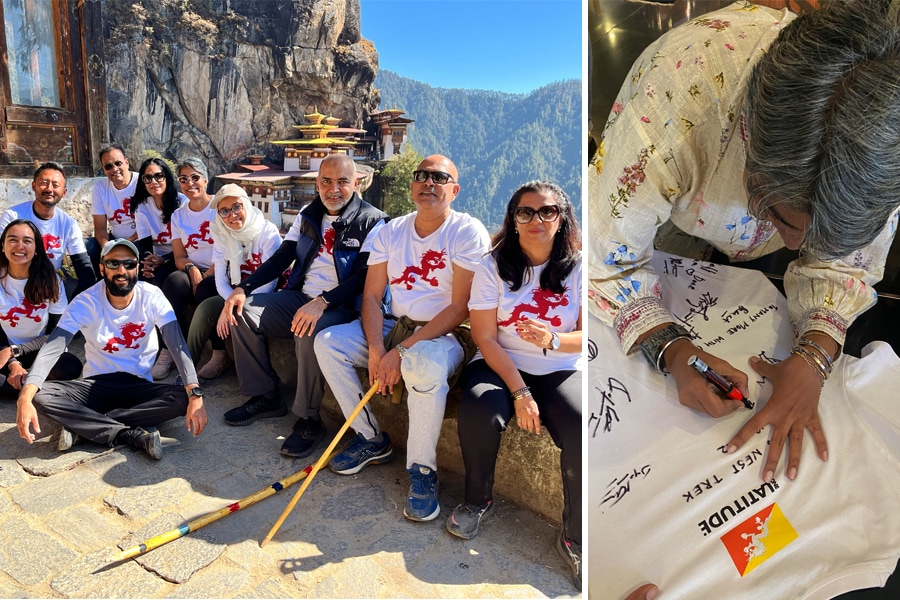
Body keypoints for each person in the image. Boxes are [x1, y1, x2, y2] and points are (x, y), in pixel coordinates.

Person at [588, 0, 900, 482]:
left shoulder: (886, 135)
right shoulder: (673, 102)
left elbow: (849, 264)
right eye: (784, 220)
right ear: (749, 158)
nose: (798, 246)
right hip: (677, 226)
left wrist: (816, 354)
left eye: (821, 236)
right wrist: (669, 348)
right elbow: (607, 253)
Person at [314, 154, 490, 522]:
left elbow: (460, 307)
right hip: (396, 325)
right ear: (412, 186)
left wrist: (402, 351)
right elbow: (373, 297)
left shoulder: (465, 231)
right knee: (328, 343)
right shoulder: (391, 231)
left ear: (453, 190)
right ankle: (370, 439)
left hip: (445, 335)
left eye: (439, 178)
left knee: (422, 366)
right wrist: (378, 348)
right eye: (422, 176)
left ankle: (422, 471)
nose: (429, 183)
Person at [445, 181, 583, 589]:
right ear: (513, 220)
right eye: (526, 212)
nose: (536, 220)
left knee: (580, 427)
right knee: (479, 408)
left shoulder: (579, 266)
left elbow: (589, 333)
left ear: (562, 218)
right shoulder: (493, 266)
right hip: (499, 363)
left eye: (548, 211)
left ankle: (574, 535)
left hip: (559, 366)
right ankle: (477, 499)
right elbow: (485, 337)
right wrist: (520, 392)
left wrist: (553, 339)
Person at [220, 154, 387, 459]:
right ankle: (265, 397)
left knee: (308, 330)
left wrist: (323, 302)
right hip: (300, 296)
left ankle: (310, 419)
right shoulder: (309, 214)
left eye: (342, 182)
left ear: (357, 183)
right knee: (242, 313)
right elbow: (283, 257)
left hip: (342, 305)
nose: (333, 189)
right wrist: (242, 289)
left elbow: (365, 277)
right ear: (316, 183)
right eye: (326, 181)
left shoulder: (373, 221)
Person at [15, 238, 207, 459]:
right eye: (113, 264)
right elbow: (53, 347)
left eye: (129, 263)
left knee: (182, 398)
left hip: (138, 385)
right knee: (41, 394)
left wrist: (194, 392)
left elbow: (176, 344)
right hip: (96, 385)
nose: (122, 270)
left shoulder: (152, 297)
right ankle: (127, 433)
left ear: (138, 267)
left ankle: (86, 426)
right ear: (102, 268)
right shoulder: (85, 302)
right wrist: (25, 396)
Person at [186, 184, 282, 379]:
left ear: (246, 203)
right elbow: (220, 278)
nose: (232, 215)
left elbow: (270, 281)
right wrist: (230, 301)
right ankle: (186, 375)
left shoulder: (267, 233)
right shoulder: (222, 232)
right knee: (205, 306)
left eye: (237, 207)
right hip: (236, 291)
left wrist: (233, 304)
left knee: (232, 313)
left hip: (263, 294)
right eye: (224, 211)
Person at [0, 220, 82, 396]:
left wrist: (17, 351)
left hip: (39, 351)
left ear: (36, 248)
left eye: (27, 241)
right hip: (2, 351)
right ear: (2, 246)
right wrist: (13, 362)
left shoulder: (51, 281)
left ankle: (21, 384)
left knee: (70, 366)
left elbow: (57, 334)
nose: (19, 246)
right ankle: (30, 383)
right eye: (12, 239)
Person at [152, 157, 217, 379]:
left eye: (195, 177)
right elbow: (179, 255)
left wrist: (209, 272)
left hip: (222, 269)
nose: (190, 183)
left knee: (207, 289)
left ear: (206, 179)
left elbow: (231, 248)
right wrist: (191, 269)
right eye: (184, 179)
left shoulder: (219, 206)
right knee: (172, 283)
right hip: (194, 267)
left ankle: (220, 353)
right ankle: (168, 348)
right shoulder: (179, 215)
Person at [0, 162, 96, 299]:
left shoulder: (68, 224)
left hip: (48, 283)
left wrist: (82, 297)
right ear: (33, 186)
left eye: (55, 185)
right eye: (44, 183)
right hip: (13, 283)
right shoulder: (12, 216)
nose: (49, 189)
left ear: (64, 192)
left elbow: (82, 264)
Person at [130, 158, 185, 288]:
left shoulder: (183, 203)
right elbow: (144, 242)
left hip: (179, 257)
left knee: (160, 279)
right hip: (156, 256)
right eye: (147, 178)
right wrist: (149, 261)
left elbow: (188, 246)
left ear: (167, 177)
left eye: (158, 176)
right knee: (138, 276)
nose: (153, 182)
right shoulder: (142, 207)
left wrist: (164, 259)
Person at [87, 143, 139, 276]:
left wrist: (127, 244)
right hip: (114, 240)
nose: (114, 169)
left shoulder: (141, 183)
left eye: (118, 163)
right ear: (104, 169)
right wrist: (107, 247)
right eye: (108, 166)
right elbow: (100, 228)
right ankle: (94, 285)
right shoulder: (100, 188)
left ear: (127, 163)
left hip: (140, 238)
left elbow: (151, 222)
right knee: (86, 246)